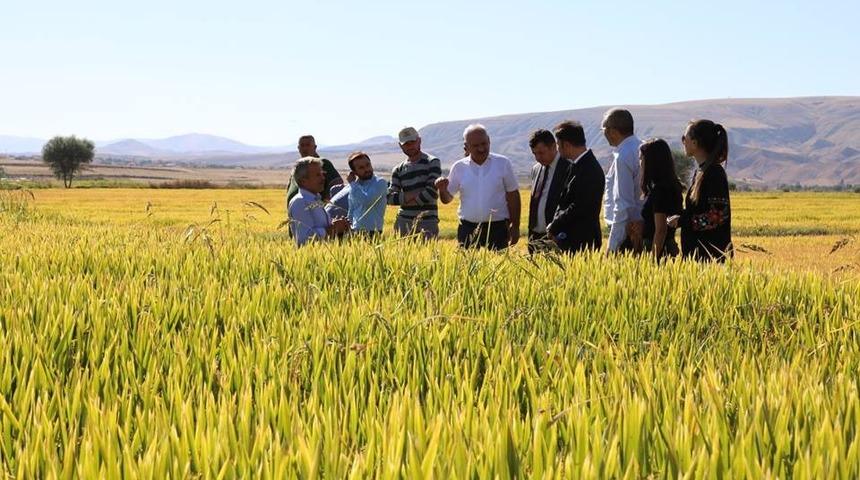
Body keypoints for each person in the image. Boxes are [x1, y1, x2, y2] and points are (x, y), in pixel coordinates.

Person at [435, 124, 521, 250]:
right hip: (467, 229)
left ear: (489, 141)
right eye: (475, 146)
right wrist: (442, 190)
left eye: (484, 144)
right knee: (466, 268)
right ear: (466, 147)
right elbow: (447, 199)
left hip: (498, 229)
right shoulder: (459, 167)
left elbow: (513, 195)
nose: (481, 148)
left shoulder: (503, 163)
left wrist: (516, 226)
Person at [668, 120, 733, 262]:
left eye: (684, 138)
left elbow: (717, 217)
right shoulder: (702, 172)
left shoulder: (714, 173)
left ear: (695, 143)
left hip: (710, 258)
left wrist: (683, 221)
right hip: (698, 256)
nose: (683, 142)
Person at [545, 121, 605, 254]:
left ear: (566, 145)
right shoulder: (575, 165)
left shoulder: (590, 169)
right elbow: (564, 200)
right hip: (569, 238)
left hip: (582, 241)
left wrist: (555, 225)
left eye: (558, 145)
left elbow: (579, 206)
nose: (557, 150)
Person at [601, 108, 644, 253]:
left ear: (612, 131)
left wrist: (613, 245)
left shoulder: (623, 156)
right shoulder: (642, 147)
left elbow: (623, 204)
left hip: (628, 233)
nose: (603, 133)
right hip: (642, 226)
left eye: (604, 129)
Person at [387, 127, 442, 239]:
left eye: (413, 142)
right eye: (406, 143)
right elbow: (390, 198)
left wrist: (404, 199)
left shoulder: (432, 162)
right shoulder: (398, 169)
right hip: (403, 222)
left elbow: (431, 193)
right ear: (400, 145)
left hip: (427, 223)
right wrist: (416, 194)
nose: (410, 146)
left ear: (419, 140)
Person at [527, 129, 573, 253]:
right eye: (534, 153)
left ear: (554, 147)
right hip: (535, 237)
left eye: (541, 152)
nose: (538, 158)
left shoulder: (568, 167)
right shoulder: (536, 169)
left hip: (557, 237)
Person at [288, 157, 350, 246]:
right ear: (304, 181)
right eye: (318, 175)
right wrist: (334, 229)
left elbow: (319, 227)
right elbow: (304, 240)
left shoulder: (315, 199)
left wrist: (336, 224)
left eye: (322, 174)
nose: (323, 178)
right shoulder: (300, 202)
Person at [638, 138, 683, 259]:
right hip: (669, 247)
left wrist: (652, 260)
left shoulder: (660, 191)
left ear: (651, 161)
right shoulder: (673, 186)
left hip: (657, 249)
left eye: (641, 158)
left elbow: (661, 230)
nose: (640, 162)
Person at [328, 151, 388, 236]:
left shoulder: (380, 182)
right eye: (361, 168)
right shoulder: (355, 186)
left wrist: (352, 184)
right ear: (354, 172)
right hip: (355, 230)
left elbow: (367, 201)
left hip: (372, 232)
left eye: (368, 165)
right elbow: (352, 209)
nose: (367, 169)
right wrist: (347, 226)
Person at [286, 135, 344, 205]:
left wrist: (323, 205)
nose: (305, 148)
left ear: (315, 147)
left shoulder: (322, 163)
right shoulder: (299, 165)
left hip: (313, 210)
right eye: (302, 145)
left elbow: (337, 185)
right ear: (298, 148)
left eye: (308, 145)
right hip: (297, 210)